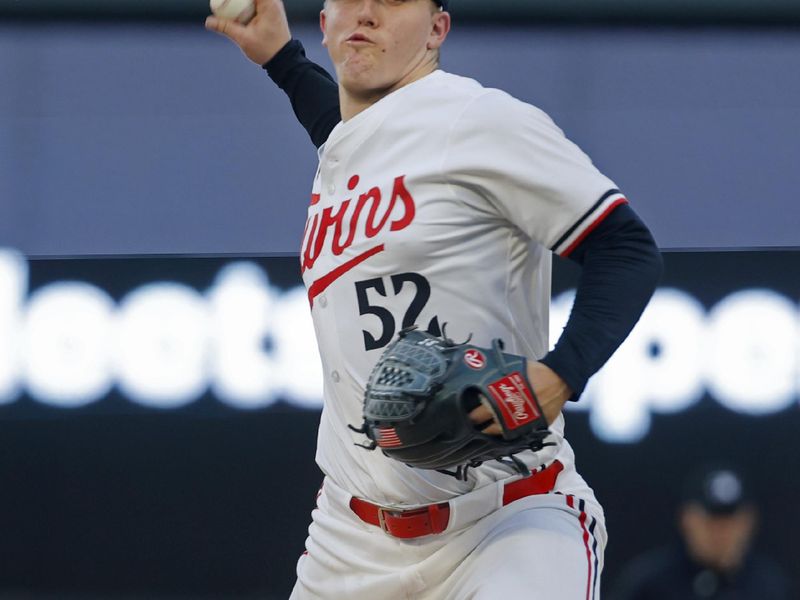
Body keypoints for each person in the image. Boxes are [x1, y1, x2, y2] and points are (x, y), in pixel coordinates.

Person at [206, 1, 663, 597]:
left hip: (505, 522)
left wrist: (561, 374)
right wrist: (281, 58)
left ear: (437, 29)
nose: (366, 12)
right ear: (325, 23)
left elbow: (625, 247)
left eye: (394, 0)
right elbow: (346, 130)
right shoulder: (353, 142)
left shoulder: (478, 120)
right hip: (350, 541)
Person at [610, 464, 792, 600]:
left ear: (748, 522)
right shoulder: (649, 586)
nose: (721, 532)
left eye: (729, 521)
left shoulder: (770, 586)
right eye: (710, 521)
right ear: (686, 519)